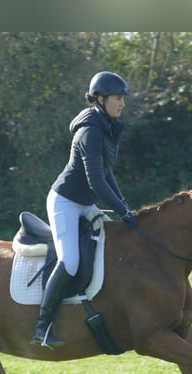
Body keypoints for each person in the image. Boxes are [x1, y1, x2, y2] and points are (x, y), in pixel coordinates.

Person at [32, 71, 138, 349]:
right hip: (65, 202)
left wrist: (124, 206)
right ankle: (42, 327)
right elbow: (96, 181)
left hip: (86, 201)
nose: (122, 104)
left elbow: (107, 173)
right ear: (101, 99)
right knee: (70, 261)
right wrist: (122, 211)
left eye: (123, 99)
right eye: (118, 98)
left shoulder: (105, 126)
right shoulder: (90, 131)